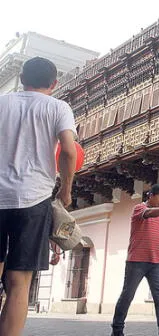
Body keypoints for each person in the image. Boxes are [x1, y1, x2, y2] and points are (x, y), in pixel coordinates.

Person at [0, 57, 77, 336]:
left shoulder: (2, 102)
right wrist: (65, 190)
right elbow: (69, 151)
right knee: (19, 282)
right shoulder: (58, 107)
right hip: (33, 200)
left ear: (21, 78)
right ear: (54, 83)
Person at [111, 184, 159, 336]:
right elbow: (148, 213)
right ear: (151, 195)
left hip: (157, 262)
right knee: (127, 295)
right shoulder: (139, 208)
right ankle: (117, 330)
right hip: (137, 261)